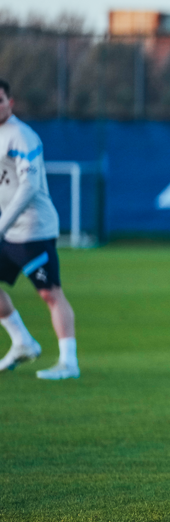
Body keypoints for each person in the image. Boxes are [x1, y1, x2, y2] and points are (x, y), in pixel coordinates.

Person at [0, 79, 79, 380]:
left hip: (34, 231)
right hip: (8, 231)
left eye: (0, 99)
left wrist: (1, 224)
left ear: (10, 102)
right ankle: (22, 342)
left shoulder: (21, 136)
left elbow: (29, 186)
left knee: (49, 293)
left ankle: (69, 362)